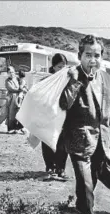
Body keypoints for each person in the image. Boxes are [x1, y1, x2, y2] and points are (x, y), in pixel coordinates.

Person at [58, 35, 110, 214]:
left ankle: (82, 208)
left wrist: (109, 139)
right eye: (88, 55)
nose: (93, 60)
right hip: (79, 140)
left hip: (101, 140)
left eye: (97, 55)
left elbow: (109, 114)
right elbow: (64, 104)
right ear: (79, 56)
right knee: (85, 182)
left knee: (93, 180)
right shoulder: (72, 76)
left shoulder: (108, 79)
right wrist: (75, 81)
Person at [41, 53, 69, 181]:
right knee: (48, 141)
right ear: (53, 67)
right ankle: (50, 167)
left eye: (64, 67)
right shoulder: (46, 81)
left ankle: (61, 168)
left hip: (63, 117)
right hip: (48, 117)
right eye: (59, 67)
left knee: (63, 143)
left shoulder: (69, 81)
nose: (62, 70)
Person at [5, 66, 24, 134]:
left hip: (19, 97)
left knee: (20, 112)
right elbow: (11, 88)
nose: (11, 73)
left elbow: (23, 83)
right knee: (11, 113)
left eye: (12, 72)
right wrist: (19, 90)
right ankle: (11, 128)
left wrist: (22, 88)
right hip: (11, 98)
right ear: (7, 73)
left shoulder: (18, 79)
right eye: (9, 72)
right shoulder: (7, 81)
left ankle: (20, 128)